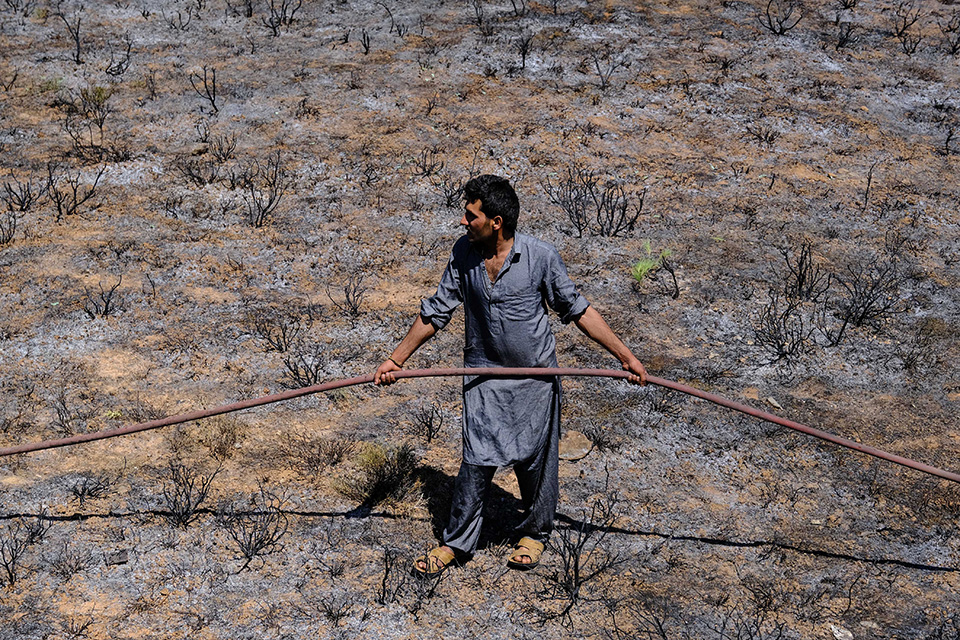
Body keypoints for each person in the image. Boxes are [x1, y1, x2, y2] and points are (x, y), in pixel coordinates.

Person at [374, 174, 646, 575]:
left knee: (536, 462)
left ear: (496, 221)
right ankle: (456, 543)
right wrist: (396, 360)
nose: (463, 223)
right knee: (477, 460)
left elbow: (578, 310)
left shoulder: (540, 256)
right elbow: (436, 312)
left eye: (471, 216)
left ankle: (534, 534)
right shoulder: (464, 255)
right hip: (484, 377)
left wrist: (626, 357)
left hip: (534, 378)